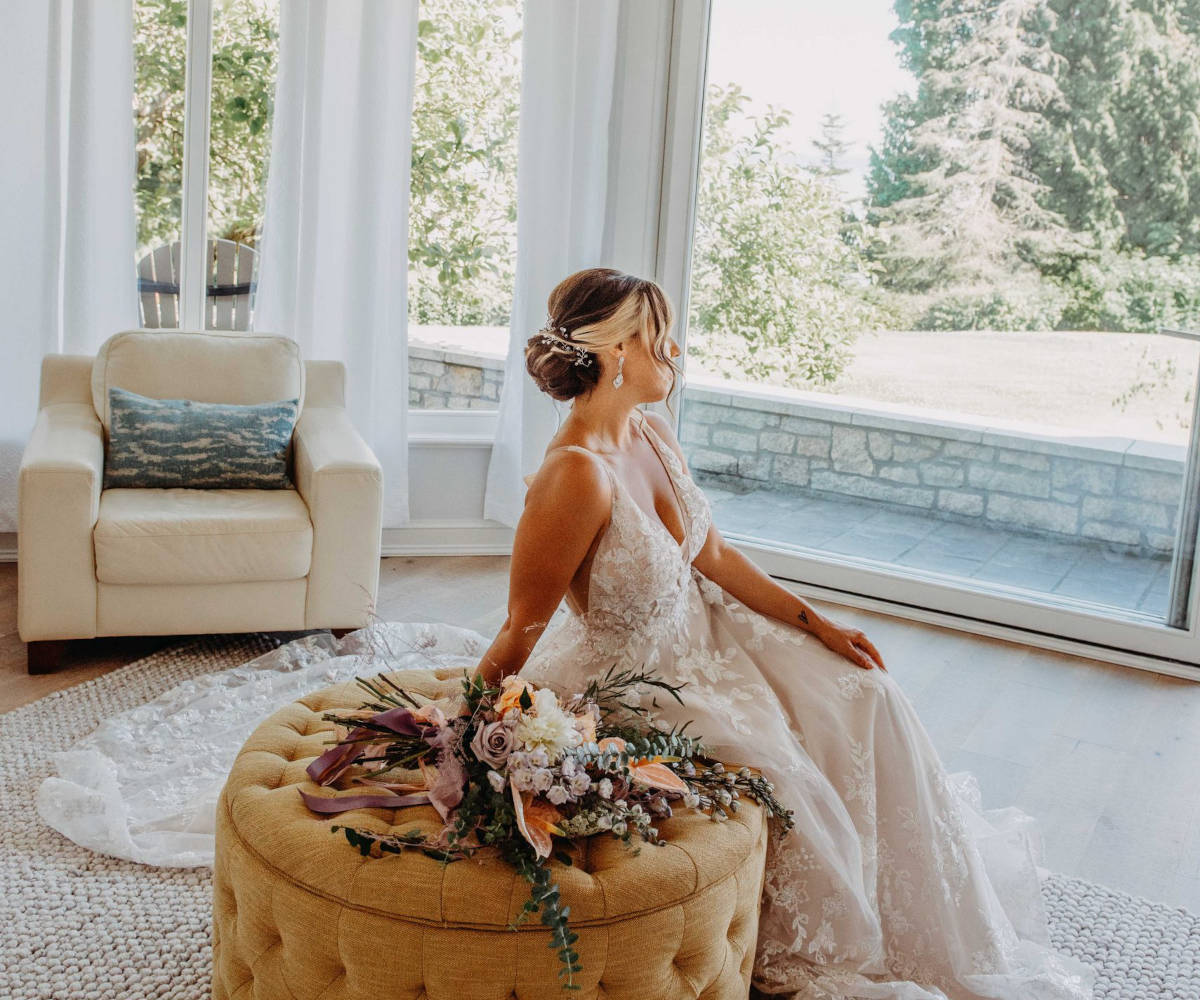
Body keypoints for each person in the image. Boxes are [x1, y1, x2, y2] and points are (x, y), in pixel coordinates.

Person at [34, 266, 1097, 999]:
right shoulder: (573, 477)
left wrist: (817, 621)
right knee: (789, 776)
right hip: (634, 680)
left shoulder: (650, 428)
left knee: (863, 695)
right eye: (658, 333)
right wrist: (461, 721)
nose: (673, 346)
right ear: (620, 351)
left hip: (712, 635)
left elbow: (716, 557)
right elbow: (521, 626)